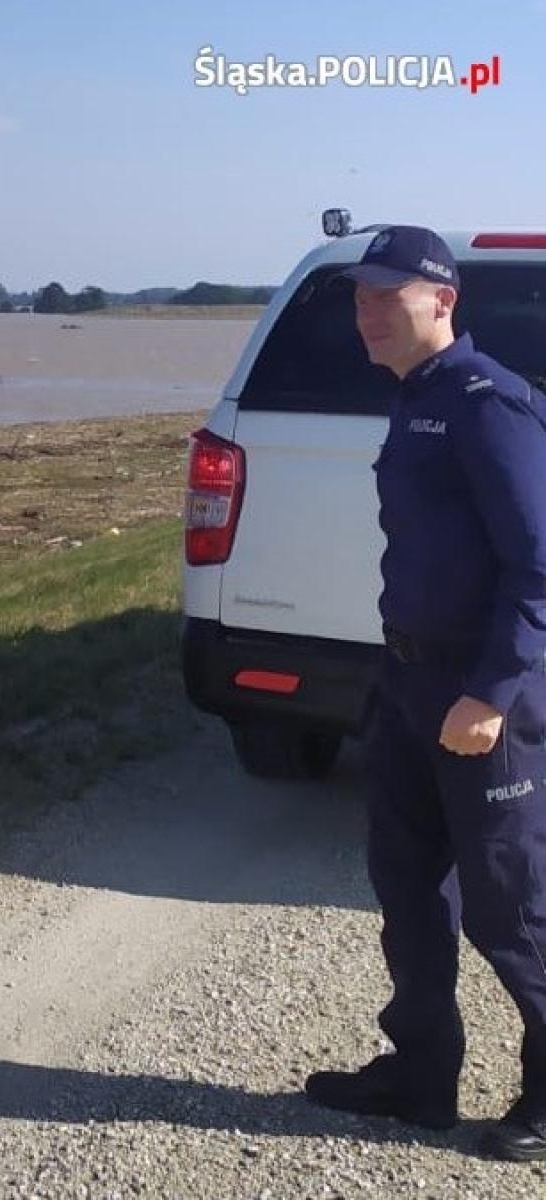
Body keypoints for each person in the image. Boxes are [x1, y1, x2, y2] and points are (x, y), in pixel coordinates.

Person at [303, 225, 546, 1162]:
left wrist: (490, 693)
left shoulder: (489, 403)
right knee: (406, 888)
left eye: (388, 295)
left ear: (442, 300)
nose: (367, 313)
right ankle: (420, 1077)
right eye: (360, 297)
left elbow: (536, 567)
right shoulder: (416, 399)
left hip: (481, 697)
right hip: (408, 682)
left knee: (509, 907)